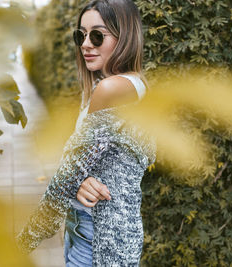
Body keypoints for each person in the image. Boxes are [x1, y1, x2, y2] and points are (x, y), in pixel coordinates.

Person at [17, 0, 155, 266]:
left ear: (124, 36)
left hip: (95, 238)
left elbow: (69, 171)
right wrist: (82, 180)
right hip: (89, 229)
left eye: (97, 35)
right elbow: (118, 159)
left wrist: (24, 241)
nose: (85, 44)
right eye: (81, 35)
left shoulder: (112, 89)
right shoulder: (130, 84)